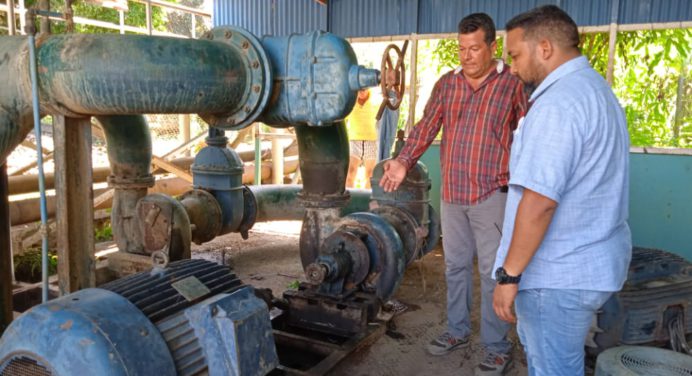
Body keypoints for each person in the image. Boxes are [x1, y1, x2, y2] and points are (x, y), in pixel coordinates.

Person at [379, 13, 527, 375]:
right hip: (453, 194)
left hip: (492, 194)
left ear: (493, 46)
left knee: (495, 273)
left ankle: (495, 346)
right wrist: (402, 161)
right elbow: (427, 125)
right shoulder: (448, 84)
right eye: (461, 49)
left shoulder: (513, 84)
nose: (466, 56)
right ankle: (457, 330)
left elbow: (532, 132)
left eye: (474, 48)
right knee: (455, 266)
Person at [492, 5, 632, 376]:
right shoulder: (597, 91)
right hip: (589, 264)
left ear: (545, 48)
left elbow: (539, 203)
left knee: (552, 367)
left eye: (516, 55)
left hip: (555, 277)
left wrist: (509, 276)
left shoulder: (557, 105)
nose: (512, 67)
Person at [346, 89, 379, 188]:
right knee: (350, 173)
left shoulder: (376, 100)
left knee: (369, 175)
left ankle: (366, 201)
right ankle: (350, 200)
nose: (362, 91)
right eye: (359, 89)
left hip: (371, 141)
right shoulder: (350, 101)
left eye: (364, 88)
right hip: (354, 141)